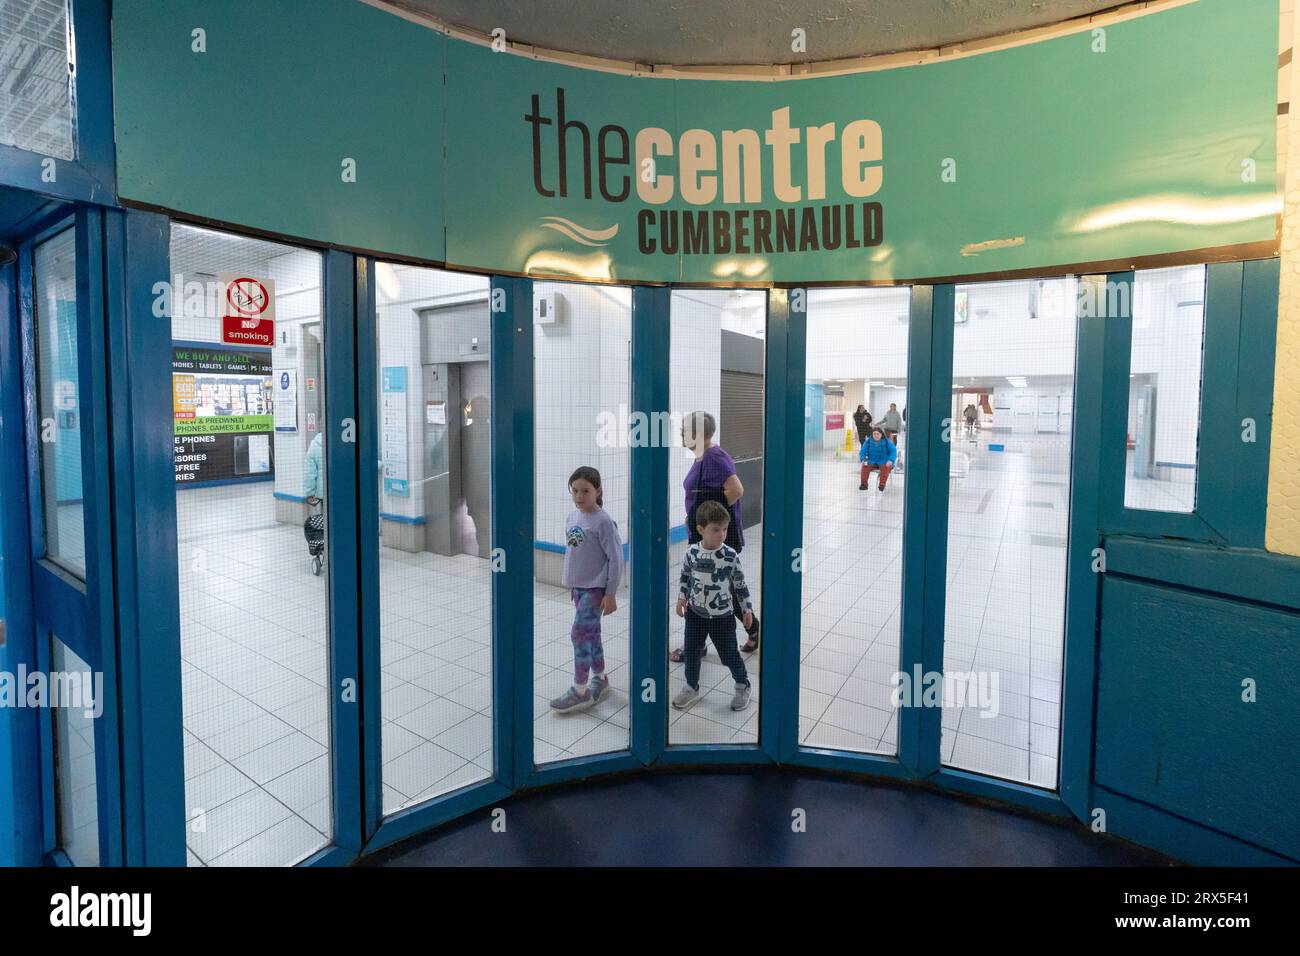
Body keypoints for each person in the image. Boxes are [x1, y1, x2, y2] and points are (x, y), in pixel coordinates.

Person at [669, 410, 761, 663]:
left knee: (706, 588)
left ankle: (695, 646)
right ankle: (753, 630)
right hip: (703, 535)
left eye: (684, 430)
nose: (680, 434)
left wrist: (710, 523)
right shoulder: (702, 457)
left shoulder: (714, 456)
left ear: (698, 434)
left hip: (713, 539)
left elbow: (736, 490)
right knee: (718, 588)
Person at [550, 466, 624, 714]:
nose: (579, 496)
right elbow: (574, 553)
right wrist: (573, 585)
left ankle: (579, 690)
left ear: (598, 491)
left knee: (578, 634)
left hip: (596, 590)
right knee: (591, 634)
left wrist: (611, 592)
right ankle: (600, 679)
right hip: (580, 589)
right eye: (575, 491)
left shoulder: (603, 521)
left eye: (585, 491)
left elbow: (616, 558)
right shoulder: (572, 517)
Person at [673, 500, 753, 712]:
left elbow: (740, 585)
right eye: (716, 530)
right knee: (691, 652)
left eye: (725, 529)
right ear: (700, 529)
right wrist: (682, 597)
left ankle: (743, 683)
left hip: (723, 617)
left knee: (728, 655)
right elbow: (685, 577)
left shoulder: (730, 556)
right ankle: (691, 686)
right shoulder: (692, 553)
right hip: (695, 615)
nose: (722, 534)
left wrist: (747, 609)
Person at [859, 426, 897, 493]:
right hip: (871, 461)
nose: (876, 435)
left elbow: (893, 451)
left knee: (886, 467)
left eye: (877, 434)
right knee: (865, 466)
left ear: (881, 434)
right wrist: (863, 459)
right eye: (874, 434)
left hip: (884, 461)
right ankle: (864, 484)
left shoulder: (886, 441)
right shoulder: (868, 441)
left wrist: (891, 460)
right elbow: (863, 451)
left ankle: (882, 485)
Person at [303, 431, 325, 508]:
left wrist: (309, 493)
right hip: (345, 490)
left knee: (327, 516)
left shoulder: (315, 445)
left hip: (324, 492)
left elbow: (309, 473)